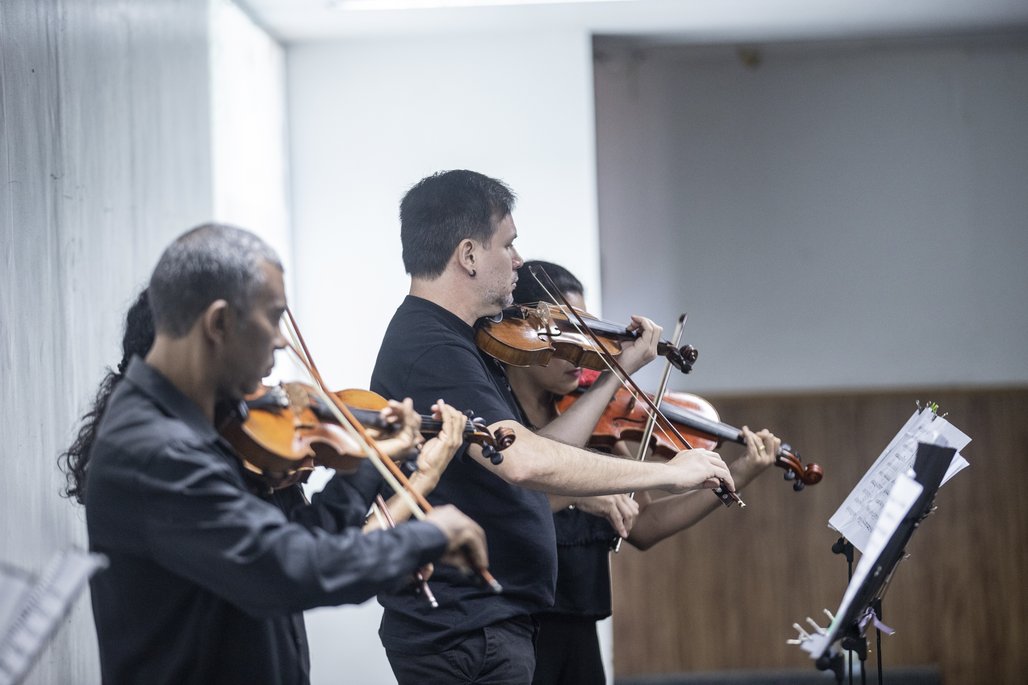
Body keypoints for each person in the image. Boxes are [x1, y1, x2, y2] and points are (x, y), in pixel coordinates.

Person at [368, 170, 737, 684]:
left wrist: (617, 372)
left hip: (487, 625)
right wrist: (664, 475)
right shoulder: (432, 346)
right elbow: (522, 460)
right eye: (509, 243)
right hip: (462, 630)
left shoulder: (462, 341)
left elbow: (537, 452)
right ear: (469, 254)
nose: (518, 260)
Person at [81, 223, 489, 684]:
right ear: (218, 323)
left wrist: (371, 460)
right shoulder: (157, 450)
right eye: (274, 318)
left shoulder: (197, 427)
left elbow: (297, 539)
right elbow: (288, 571)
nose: (280, 340)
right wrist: (428, 535)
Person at [503, 260, 779, 685]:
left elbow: (644, 526)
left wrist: (738, 473)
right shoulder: (502, 422)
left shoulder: (593, 420)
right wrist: (579, 493)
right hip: (516, 630)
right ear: (526, 333)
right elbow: (510, 504)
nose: (585, 349)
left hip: (580, 627)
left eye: (590, 333)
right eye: (570, 334)